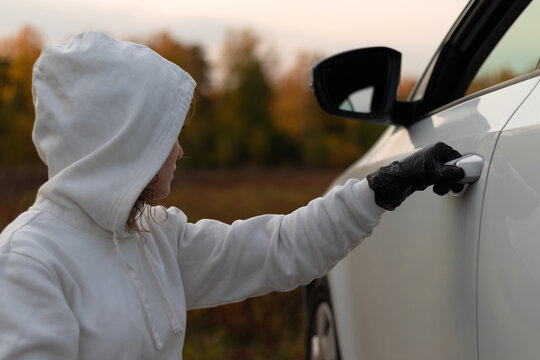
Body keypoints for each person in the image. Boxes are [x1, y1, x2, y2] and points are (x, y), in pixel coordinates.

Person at [0, 31, 464, 359]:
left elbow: (278, 249)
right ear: (123, 141)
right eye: (167, 137)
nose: (179, 151)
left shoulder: (154, 237)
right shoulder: (29, 263)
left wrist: (381, 189)